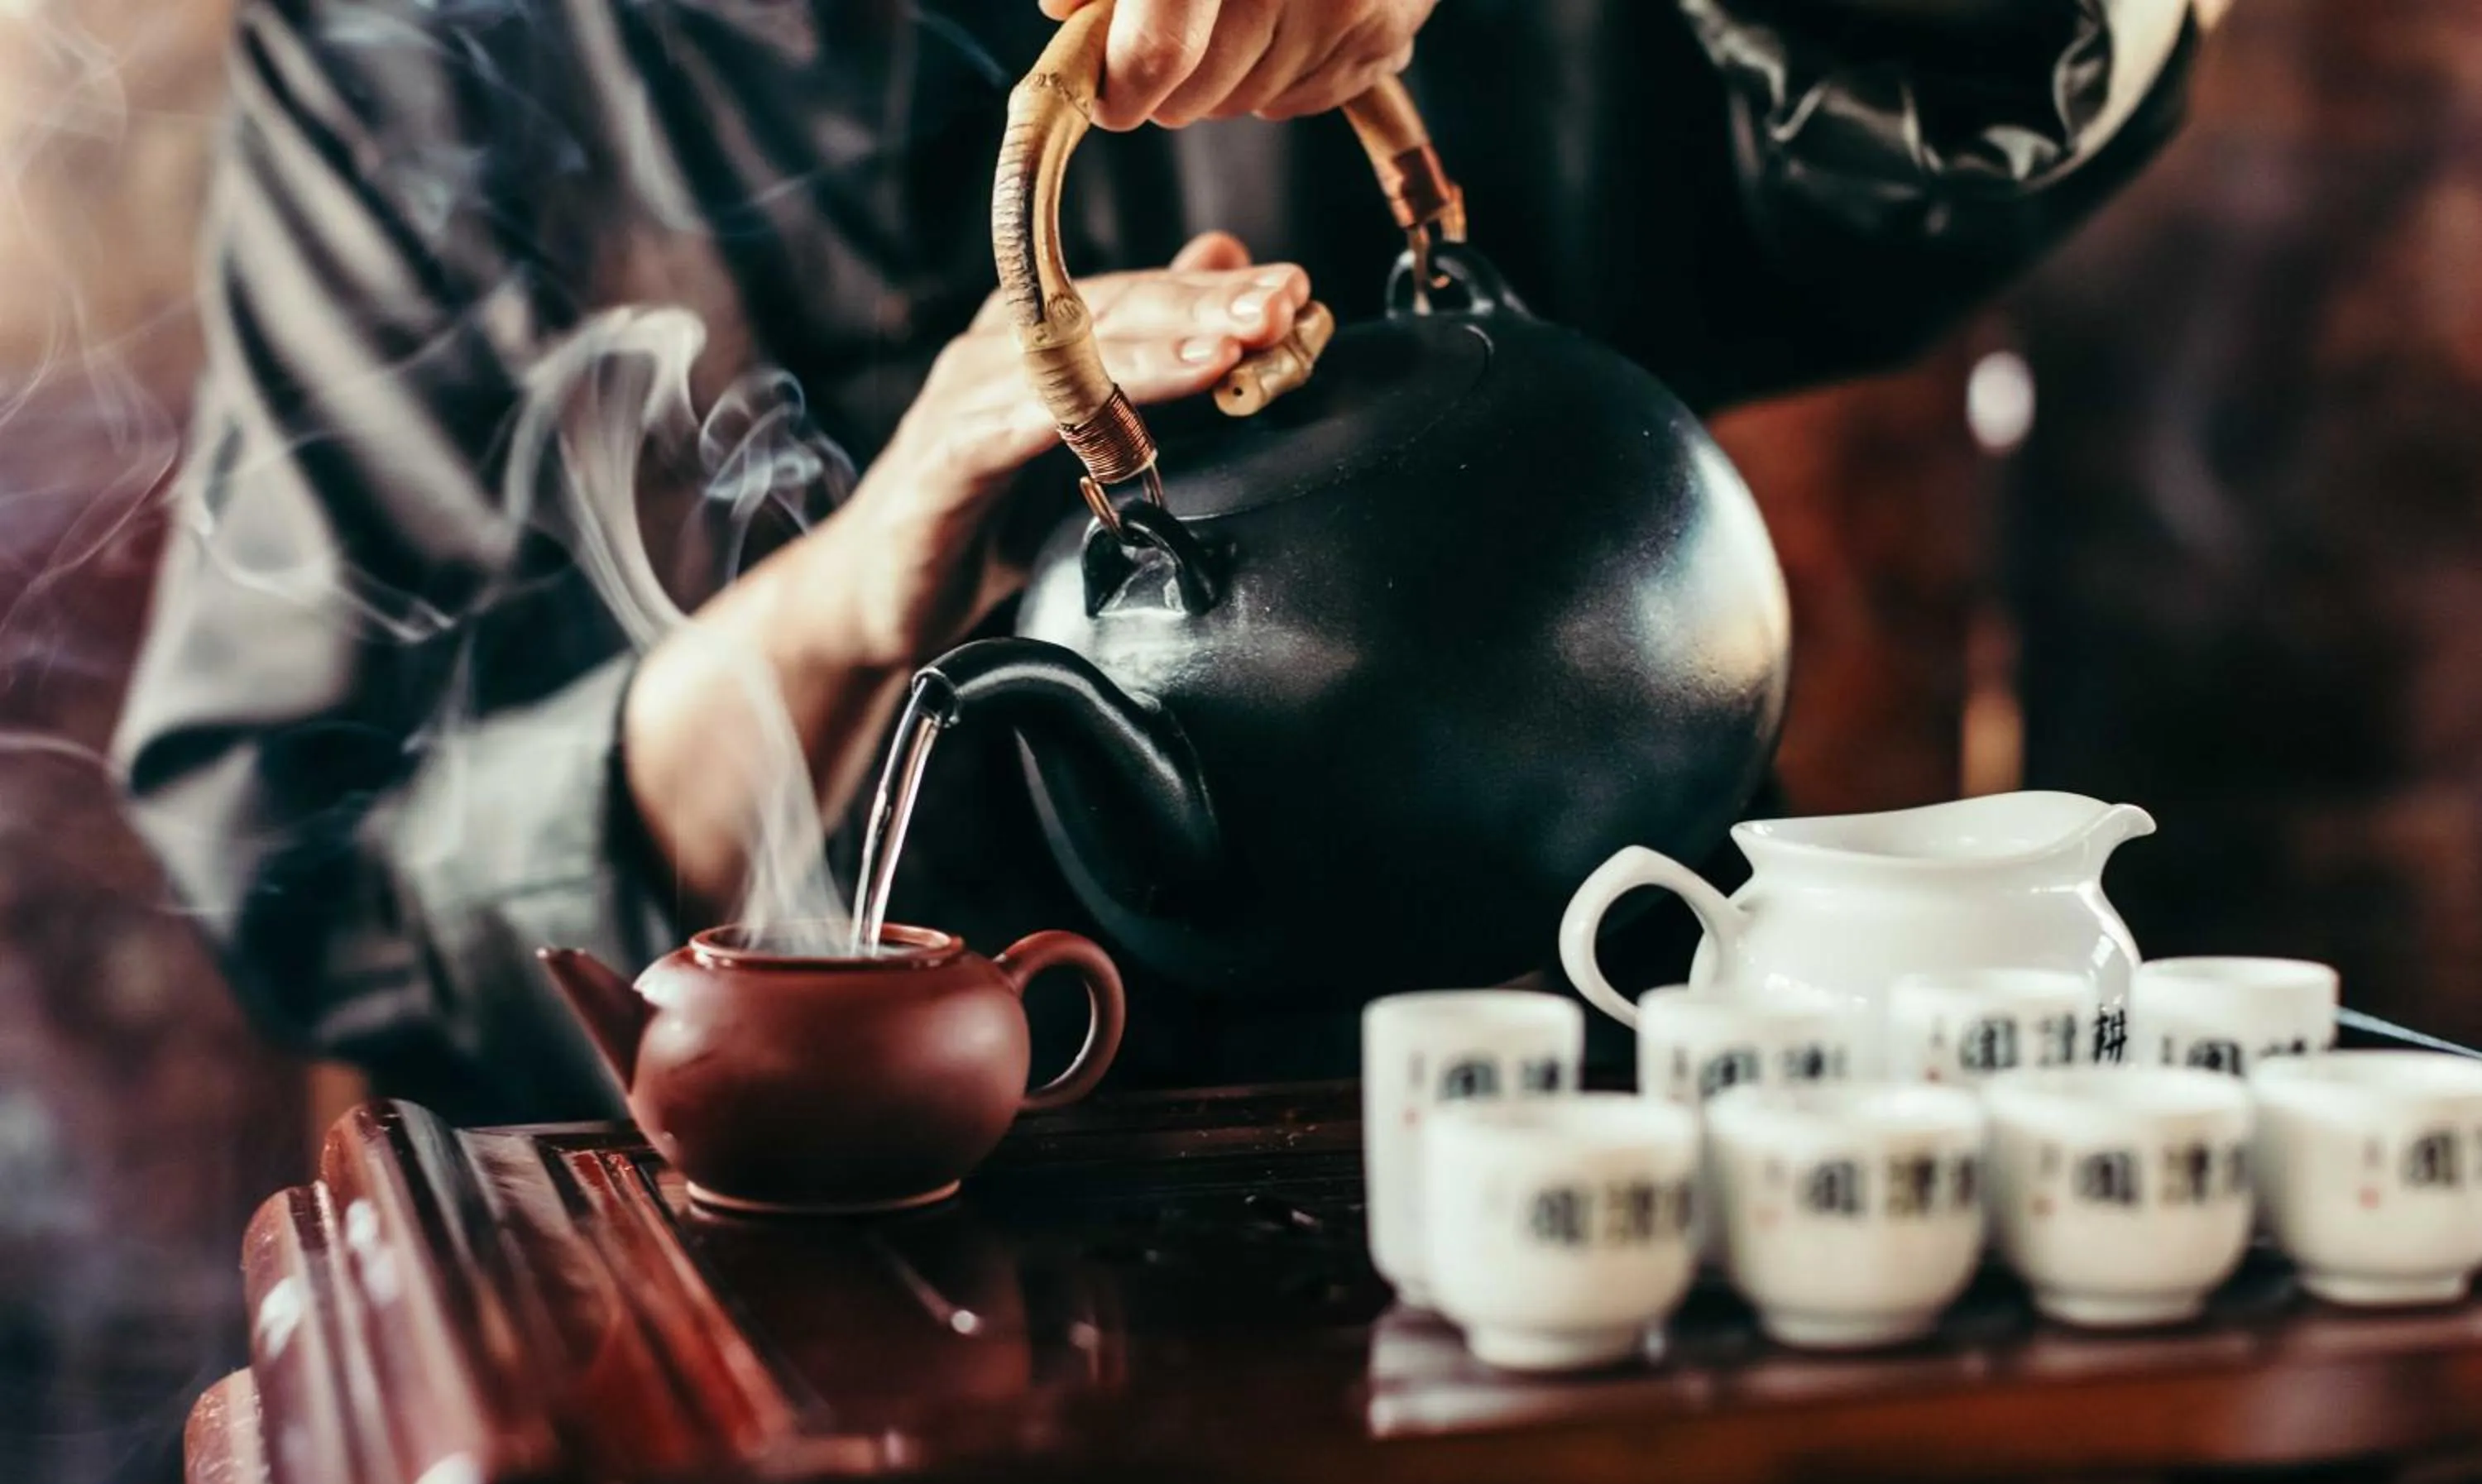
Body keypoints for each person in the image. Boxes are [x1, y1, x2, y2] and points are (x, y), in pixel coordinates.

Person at [115, 0, 2213, 1122]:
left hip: (1576, 1107)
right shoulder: (418, 41)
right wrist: (850, 595)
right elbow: (322, 852)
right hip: (793, 1278)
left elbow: (2022, 77)